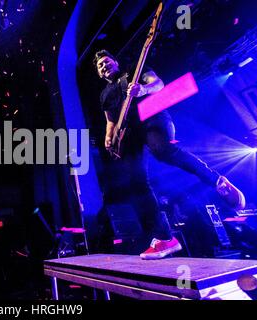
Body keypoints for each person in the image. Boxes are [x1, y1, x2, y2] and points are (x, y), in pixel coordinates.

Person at [94, 49, 246, 260]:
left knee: (162, 150)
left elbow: (158, 83)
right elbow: (110, 120)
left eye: (107, 61)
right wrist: (108, 138)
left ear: (115, 62)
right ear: (99, 73)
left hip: (151, 116)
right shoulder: (104, 95)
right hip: (129, 133)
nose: (104, 66)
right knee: (135, 183)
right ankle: (164, 238)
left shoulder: (133, 71)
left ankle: (218, 181)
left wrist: (144, 90)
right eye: (100, 65)